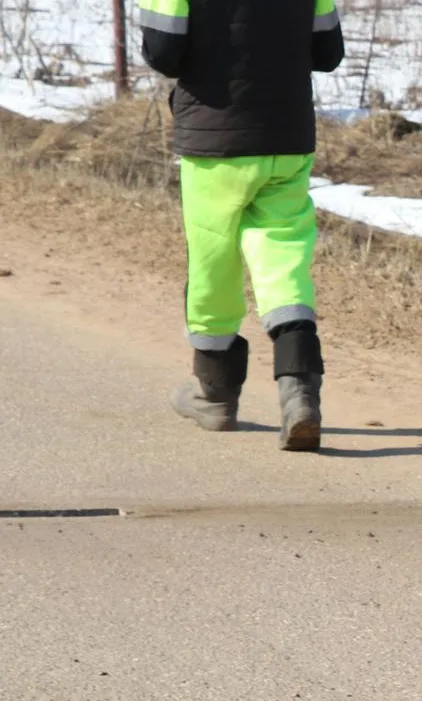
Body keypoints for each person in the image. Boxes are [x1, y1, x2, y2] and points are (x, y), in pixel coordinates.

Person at [138, 0, 344, 451]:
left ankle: (214, 393)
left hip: (216, 140)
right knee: (284, 257)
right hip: (287, 136)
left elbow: (162, 52)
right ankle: (300, 391)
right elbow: (328, 53)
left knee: (215, 258)